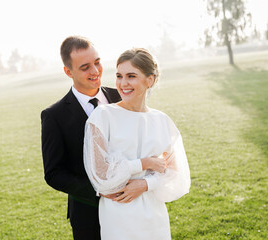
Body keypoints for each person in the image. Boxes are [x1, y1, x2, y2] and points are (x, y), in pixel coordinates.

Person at [83, 48, 191, 239]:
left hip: (154, 217)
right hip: (118, 216)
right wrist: (144, 163)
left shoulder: (163, 121)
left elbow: (176, 173)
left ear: (149, 80)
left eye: (131, 76)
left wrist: (146, 184)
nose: (123, 83)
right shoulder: (102, 116)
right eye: (119, 76)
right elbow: (100, 174)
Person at [41, 36, 121, 240]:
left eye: (97, 62)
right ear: (69, 71)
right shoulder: (54, 116)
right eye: (85, 67)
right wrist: (100, 190)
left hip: (132, 207)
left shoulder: (121, 98)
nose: (95, 71)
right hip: (88, 215)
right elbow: (54, 173)